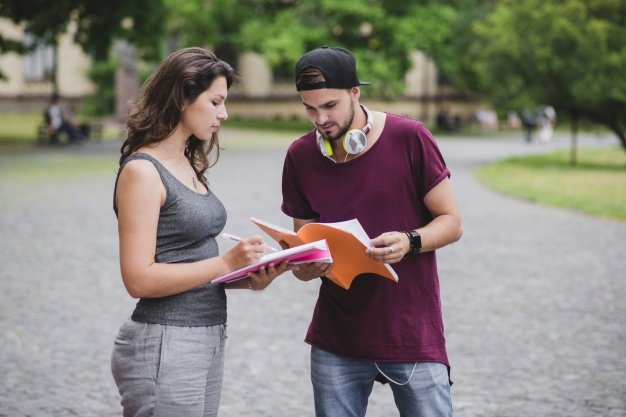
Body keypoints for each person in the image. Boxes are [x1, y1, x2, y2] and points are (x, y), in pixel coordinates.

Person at [281, 46, 463, 417]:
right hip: (336, 338)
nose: (320, 118)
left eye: (330, 105)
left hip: (410, 333)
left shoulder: (410, 137)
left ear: (355, 93)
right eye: (310, 108)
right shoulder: (299, 155)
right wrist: (305, 266)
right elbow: (303, 252)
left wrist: (409, 241)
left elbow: (452, 222)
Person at [110, 47, 293, 417]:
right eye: (215, 101)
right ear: (182, 98)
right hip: (166, 340)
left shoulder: (188, 163)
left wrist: (253, 275)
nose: (223, 114)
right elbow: (139, 279)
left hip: (206, 335)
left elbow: (193, 264)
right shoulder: (143, 172)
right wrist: (225, 262)